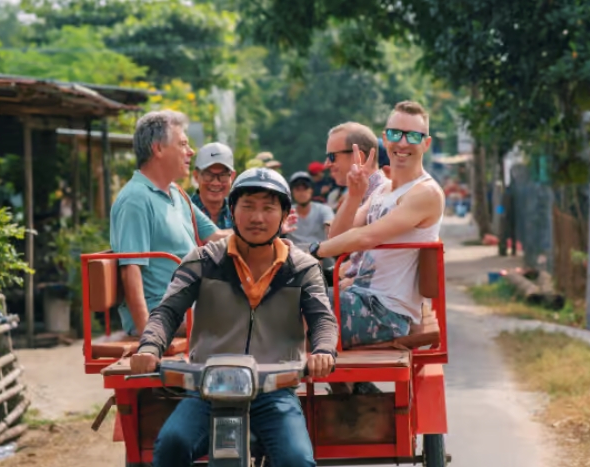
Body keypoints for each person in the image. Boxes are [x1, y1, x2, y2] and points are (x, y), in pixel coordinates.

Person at [130, 167, 339, 467]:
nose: (257, 218)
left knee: (297, 460)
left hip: (275, 390)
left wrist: (322, 351)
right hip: (207, 389)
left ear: (283, 215)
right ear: (232, 211)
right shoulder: (203, 260)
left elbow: (322, 319)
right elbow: (167, 311)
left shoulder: (302, 267)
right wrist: (150, 347)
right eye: (248, 206)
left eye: (268, 208)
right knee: (171, 445)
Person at [308, 101, 445, 393]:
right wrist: (355, 194)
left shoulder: (426, 193)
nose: (403, 144)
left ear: (427, 143)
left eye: (414, 136)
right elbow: (342, 233)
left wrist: (313, 251)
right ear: (385, 139)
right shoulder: (383, 190)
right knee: (282, 298)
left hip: (386, 313)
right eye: (396, 135)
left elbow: (366, 237)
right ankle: (353, 394)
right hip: (360, 300)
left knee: (285, 309)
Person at [110, 110, 233, 337]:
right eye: (183, 144)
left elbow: (216, 237)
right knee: (247, 312)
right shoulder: (135, 200)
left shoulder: (176, 193)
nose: (191, 151)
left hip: (193, 300)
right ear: (158, 149)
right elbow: (131, 270)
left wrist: (266, 234)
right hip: (165, 311)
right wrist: (150, 336)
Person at [325, 122, 388, 288]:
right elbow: (336, 239)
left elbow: (336, 243)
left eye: (332, 156)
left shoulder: (383, 194)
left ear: (357, 157)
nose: (327, 164)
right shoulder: (361, 193)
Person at [191, 142, 235, 229]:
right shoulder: (183, 212)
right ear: (196, 176)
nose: (216, 183)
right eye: (208, 175)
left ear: (232, 176)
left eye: (223, 175)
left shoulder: (238, 215)